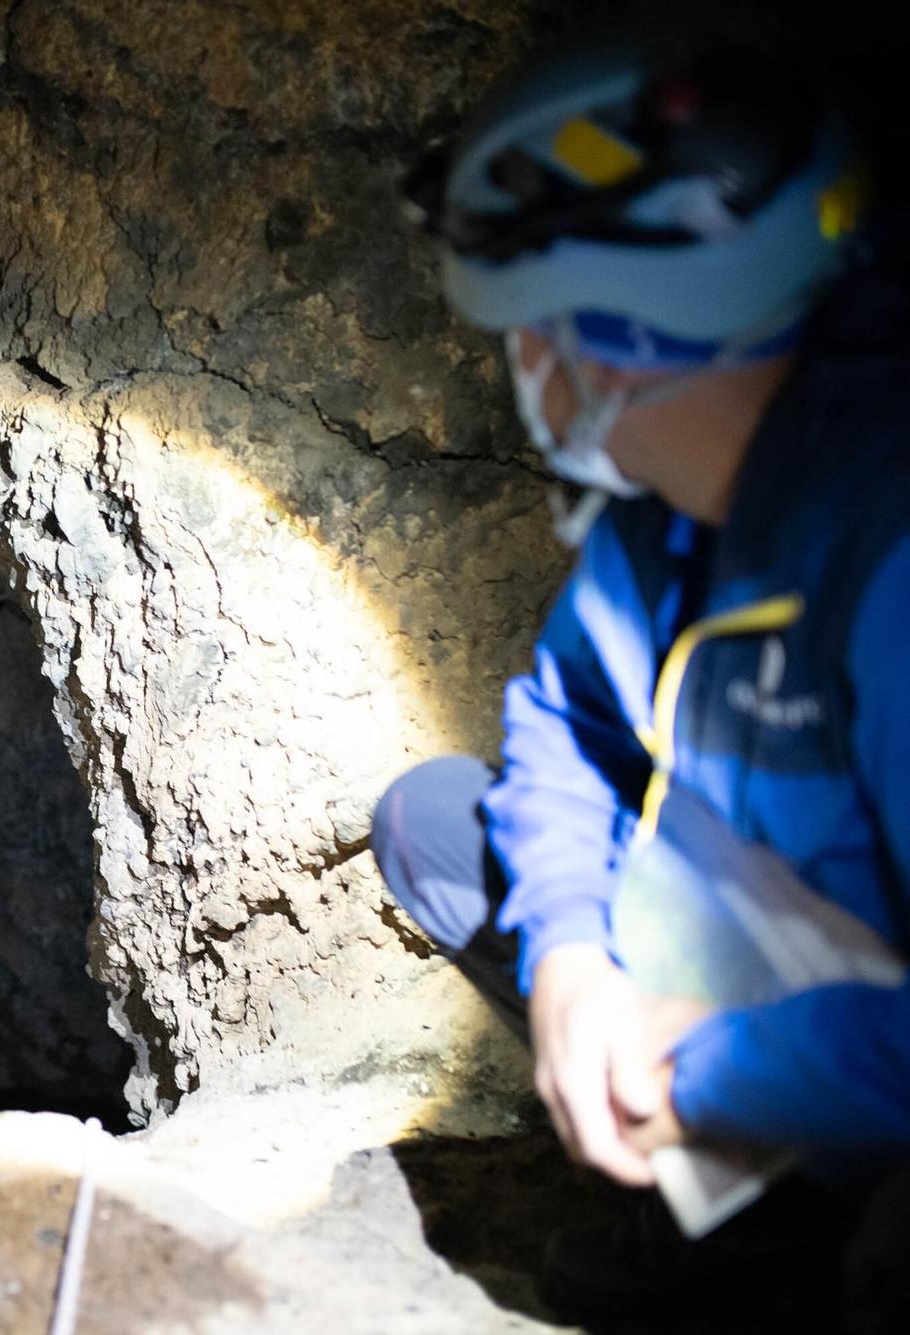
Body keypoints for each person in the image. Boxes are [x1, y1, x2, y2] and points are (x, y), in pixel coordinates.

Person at [379, 12, 909, 1325]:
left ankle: (790, 1241)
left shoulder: (884, 554)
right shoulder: (662, 513)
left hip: (849, 1041)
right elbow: (561, 721)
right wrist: (570, 959)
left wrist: (711, 1077)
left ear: (605, 348)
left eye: (526, 330)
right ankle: (733, 1200)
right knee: (437, 828)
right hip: (748, 960)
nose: (522, 367)